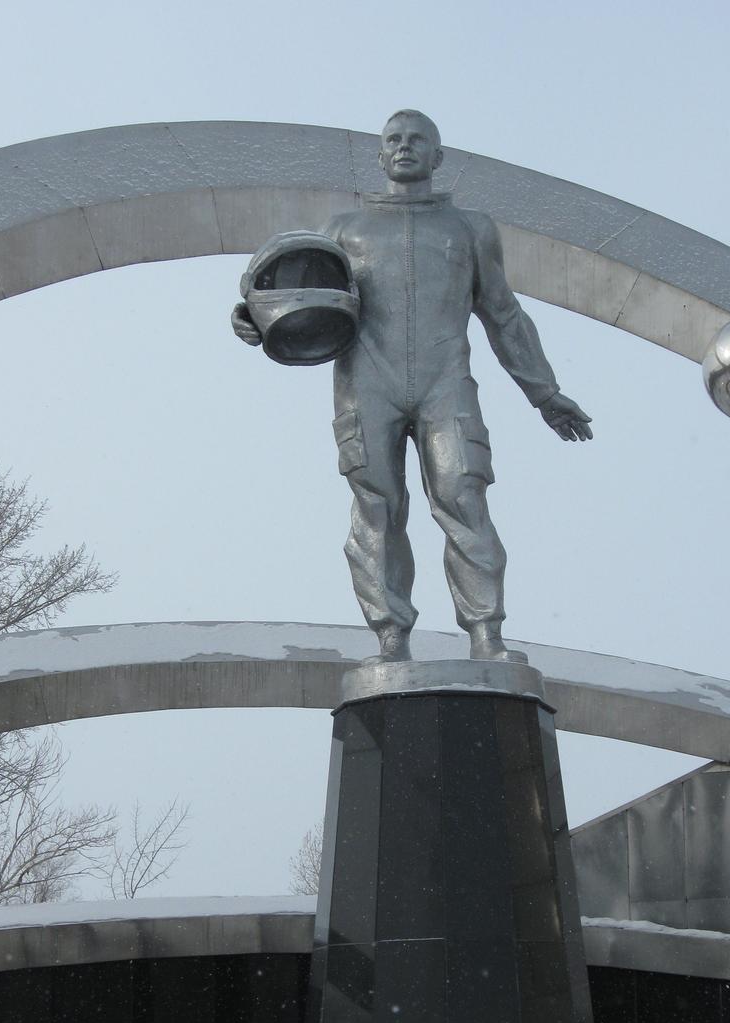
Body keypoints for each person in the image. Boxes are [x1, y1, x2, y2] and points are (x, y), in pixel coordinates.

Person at [233, 109, 592, 663]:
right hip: (365, 383)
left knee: (464, 496)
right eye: (394, 140)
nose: (404, 147)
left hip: (446, 383)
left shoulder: (469, 228)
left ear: (438, 157)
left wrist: (544, 393)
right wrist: (254, 319)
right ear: (380, 156)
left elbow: (504, 315)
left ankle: (486, 633)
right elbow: (297, 295)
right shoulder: (343, 230)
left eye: (417, 140)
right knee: (376, 508)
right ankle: (390, 637)